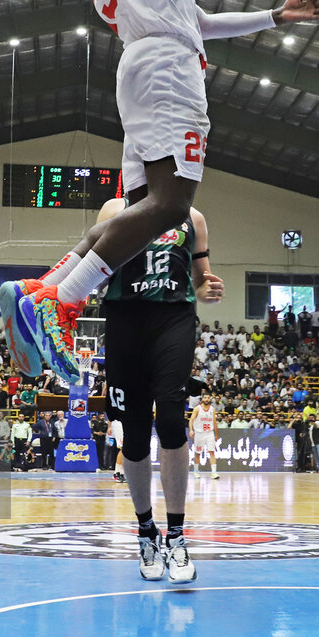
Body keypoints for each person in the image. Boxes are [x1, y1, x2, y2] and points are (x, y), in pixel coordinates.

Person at [0, 0, 319, 384]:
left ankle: (42, 287)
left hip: (147, 68)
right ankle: (64, 303)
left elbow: (200, 23)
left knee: (143, 211)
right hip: (166, 73)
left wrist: (273, 18)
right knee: (172, 204)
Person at [92, 193, 223, 584]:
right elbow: (94, 266)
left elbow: (200, 281)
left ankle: (178, 536)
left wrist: (207, 291)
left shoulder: (193, 217)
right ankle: (146, 531)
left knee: (170, 416)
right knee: (132, 435)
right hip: (124, 319)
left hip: (173, 318)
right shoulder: (114, 209)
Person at [188, 392, 220, 479]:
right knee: (198, 453)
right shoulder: (197, 409)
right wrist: (191, 430)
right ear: (202, 399)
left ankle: (214, 473)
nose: (206, 399)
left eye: (208, 398)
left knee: (212, 452)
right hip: (199, 433)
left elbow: (214, 422)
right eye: (205, 398)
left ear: (210, 399)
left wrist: (216, 434)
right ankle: (196, 471)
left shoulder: (212, 409)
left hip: (209, 433)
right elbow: (191, 420)